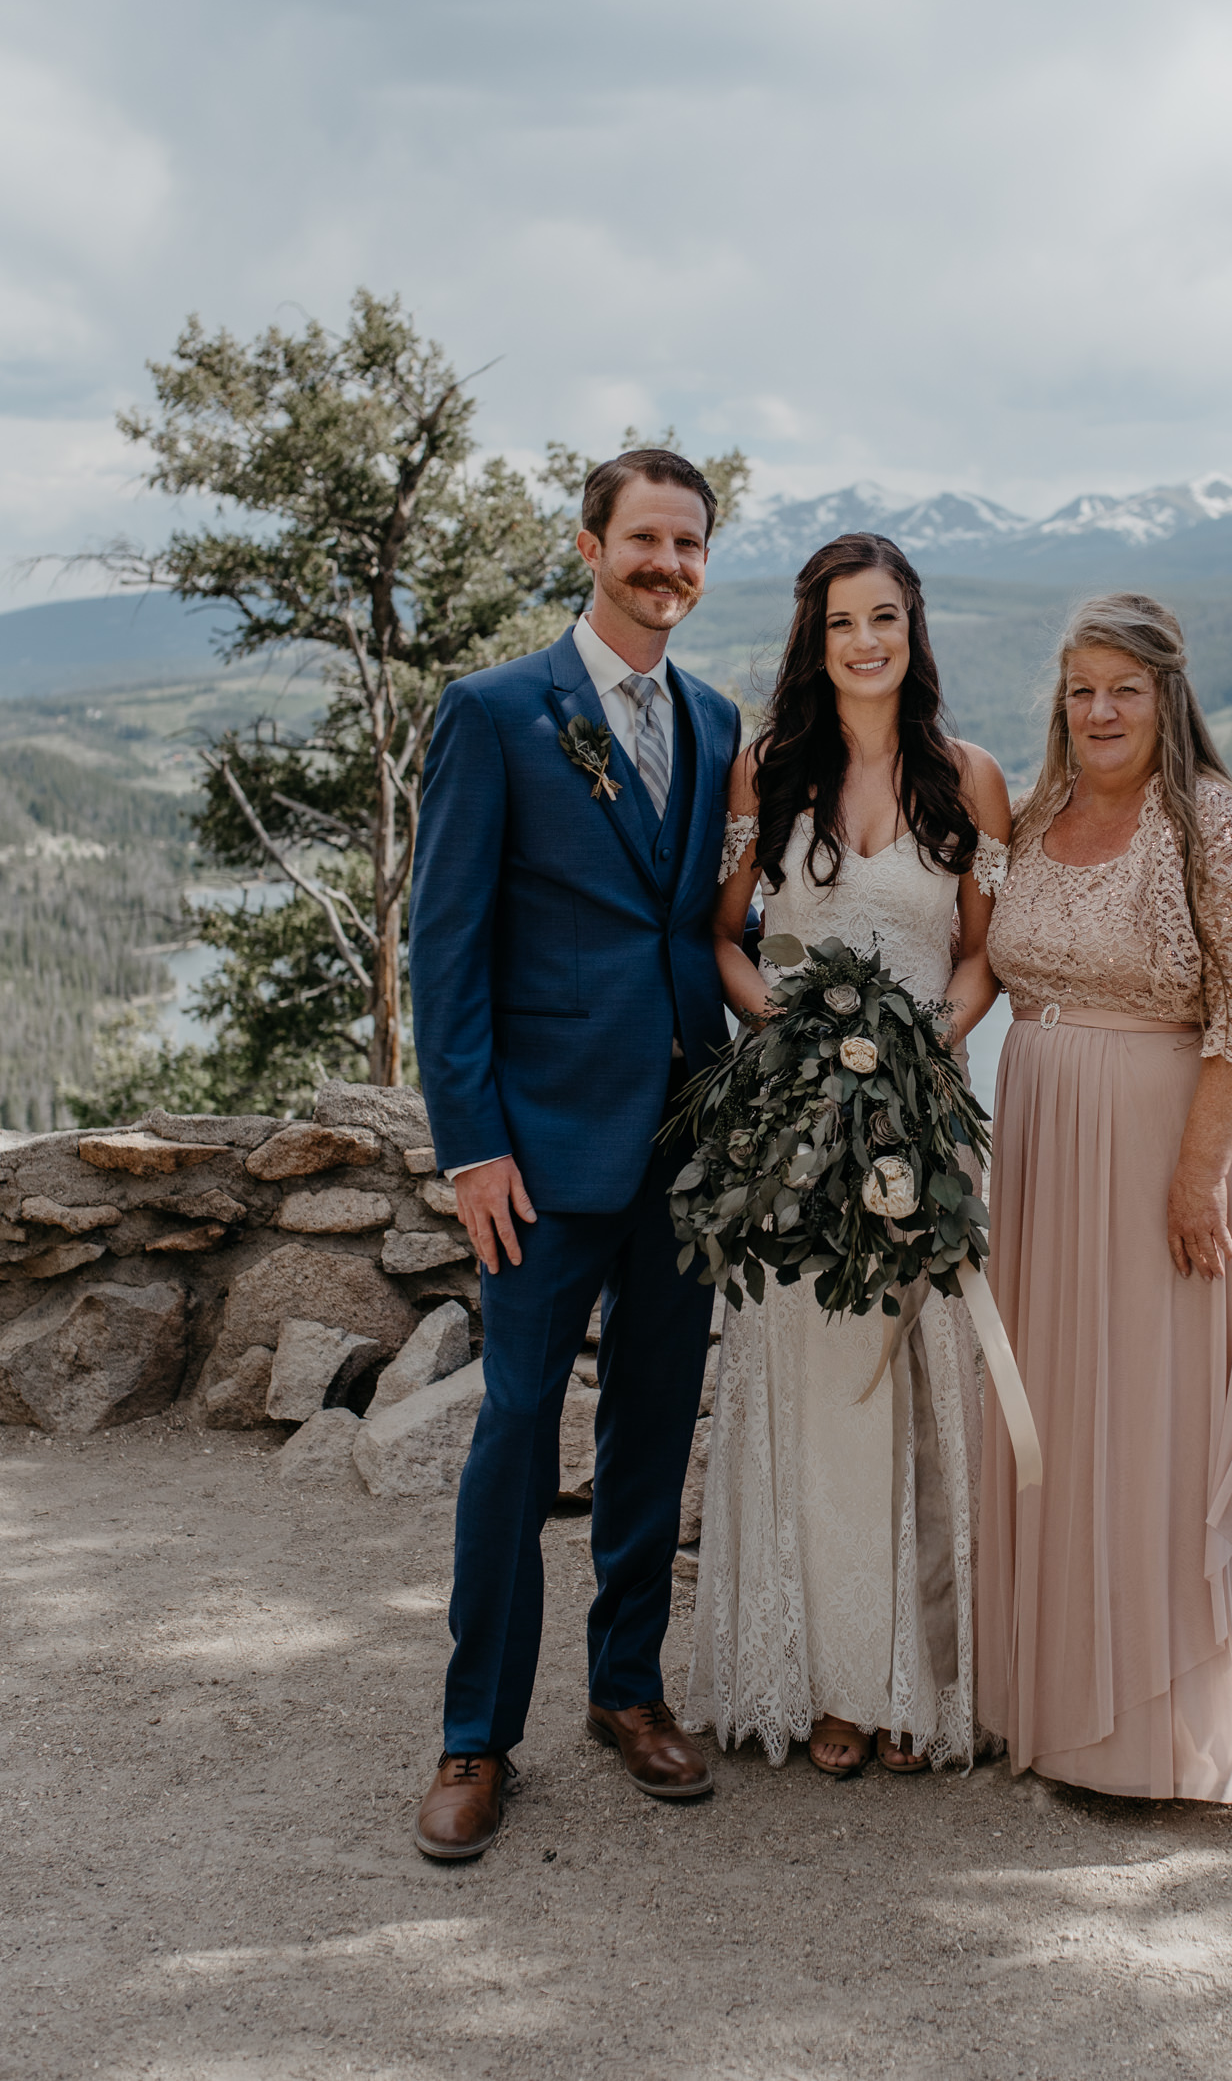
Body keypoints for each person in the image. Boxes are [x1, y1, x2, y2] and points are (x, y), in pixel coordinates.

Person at [407, 445, 743, 1859]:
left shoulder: (720, 721)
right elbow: (445, 946)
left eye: (688, 545)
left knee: (654, 1428)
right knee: (509, 1435)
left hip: (684, 1138)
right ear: (591, 546)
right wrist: (472, 1145)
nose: (667, 565)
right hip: (537, 1156)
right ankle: (475, 1736)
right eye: (644, 541)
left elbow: (713, 926)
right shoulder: (495, 713)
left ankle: (626, 1691)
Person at [975, 591, 1232, 1801]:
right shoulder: (1034, 817)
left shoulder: (1216, 827)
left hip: (1176, 1153)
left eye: (1123, 686)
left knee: (1152, 1429)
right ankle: (1060, 1702)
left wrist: (1194, 1178)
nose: (1099, 709)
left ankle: (1161, 1733)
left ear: (1168, 695)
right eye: (1079, 688)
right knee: (1064, 1421)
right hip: (1046, 1155)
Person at [686, 534, 1013, 1776]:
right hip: (792, 1131)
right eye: (839, 624)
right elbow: (725, 938)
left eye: (883, 618)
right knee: (814, 1388)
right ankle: (827, 1678)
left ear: (912, 629)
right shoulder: (767, 771)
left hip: (924, 1120)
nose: (863, 642)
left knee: (918, 1386)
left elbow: (984, 950)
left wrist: (930, 1040)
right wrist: (778, 1027)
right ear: (812, 640)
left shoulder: (970, 781)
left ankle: (918, 1679)